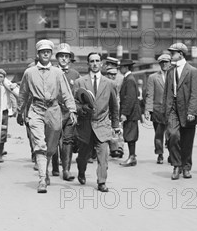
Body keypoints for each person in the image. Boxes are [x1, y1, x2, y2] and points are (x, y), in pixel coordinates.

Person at [17, 40, 77, 193]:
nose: (45, 54)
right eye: (42, 51)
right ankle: (42, 179)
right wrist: (19, 111)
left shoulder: (58, 73)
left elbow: (66, 93)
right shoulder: (29, 73)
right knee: (40, 145)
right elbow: (23, 93)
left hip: (54, 110)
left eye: (48, 51)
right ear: (38, 54)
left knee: (50, 147)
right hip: (36, 110)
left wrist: (72, 110)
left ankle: (47, 166)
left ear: (51, 54)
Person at [73, 53, 120, 192]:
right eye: (92, 61)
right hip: (85, 125)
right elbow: (74, 103)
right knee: (83, 156)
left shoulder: (110, 83)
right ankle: (81, 171)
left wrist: (115, 125)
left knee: (103, 156)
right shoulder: (80, 82)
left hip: (102, 124)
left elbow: (114, 106)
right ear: (88, 63)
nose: (94, 63)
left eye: (97, 61)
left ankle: (101, 182)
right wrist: (82, 108)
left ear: (101, 64)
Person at [162, 43, 197, 180]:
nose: (171, 55)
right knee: (173, 135)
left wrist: (192, 111)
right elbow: (166, 92)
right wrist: (165, 111)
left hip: (187, 110)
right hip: (172, 110)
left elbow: (196, 93)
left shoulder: (192, 71)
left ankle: (186, 167)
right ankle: (176, 165)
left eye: (173, 53)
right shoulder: (170, 71)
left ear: (181, 54)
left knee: (187, 140)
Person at [52, 43, 80, 180]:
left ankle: (66, 170)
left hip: (69, 112)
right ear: (57, 58)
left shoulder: (75, 74)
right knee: (54, 140)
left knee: (68, 140)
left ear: (69, 58)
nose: (64, 59)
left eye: (66, 56)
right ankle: (55, 166)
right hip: (54, 111)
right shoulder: (52, 72)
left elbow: (79, 94)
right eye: (61, 56)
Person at [144, 54, 171, 164]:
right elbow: (150, 94)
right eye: (162, 62)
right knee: (159, 134)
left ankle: (172, 153)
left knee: (171, 134)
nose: (164, 64)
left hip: (171, 111)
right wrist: (147, 110)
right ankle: (160, 154)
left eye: (166, 62)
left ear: (170, 63)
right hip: (157, 110)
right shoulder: (153, 77)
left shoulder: (174, 77)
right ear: (159, 64)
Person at [119, 59, 141, 167]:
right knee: (129, 134)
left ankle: (132, 157)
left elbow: (130, 98)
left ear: (126, 67)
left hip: (131, 113)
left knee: (130, 135)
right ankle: (132, 156)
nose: (120, 68)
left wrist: (124, 113)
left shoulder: (129, 80)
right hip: (132, 113)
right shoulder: (129, 78)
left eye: (121, 67)